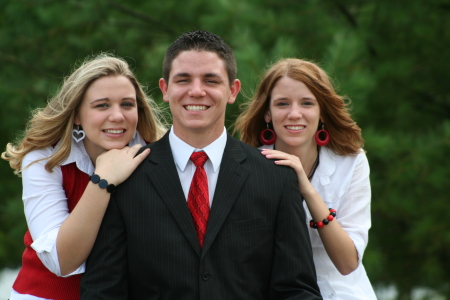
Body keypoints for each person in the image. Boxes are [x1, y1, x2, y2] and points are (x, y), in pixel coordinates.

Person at [81, 31, 322, 299]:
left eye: (211, 80)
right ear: (165, 89)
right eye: (183, 80)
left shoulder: (276, 178)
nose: (196, 91)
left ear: (232, 91)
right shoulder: (125, 175)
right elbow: (103, 290)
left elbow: (297, 290)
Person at [1, 54, 166, 300]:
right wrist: (103, 179)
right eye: (102, 105)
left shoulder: (159, 154)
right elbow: (62, 261)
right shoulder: (45, 159)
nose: (118, 116)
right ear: (77, 115)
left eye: (127, 104)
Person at [235, 58, 377, 299]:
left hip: (342, 292)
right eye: (282, 103)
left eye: (307, 103)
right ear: (268, 113)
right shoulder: (246, 165)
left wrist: (307, 189)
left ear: (322, 112)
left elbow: (347, 263)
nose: (294, 114)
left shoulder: (352, 162)